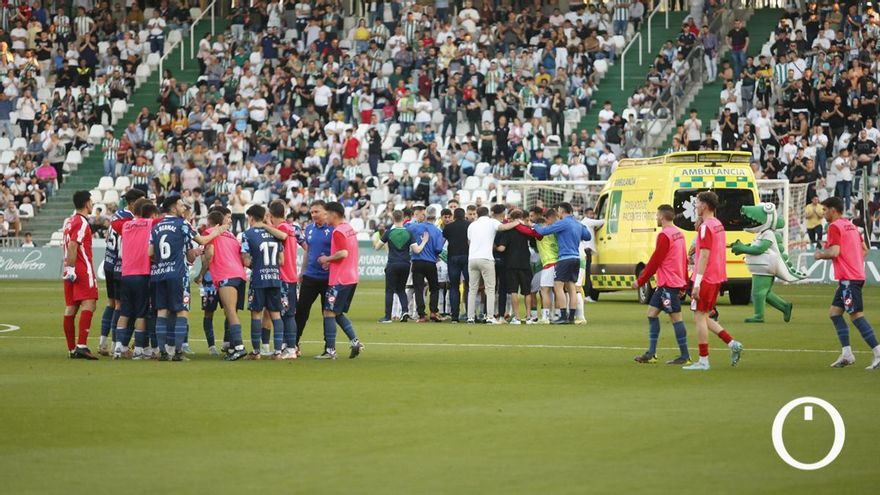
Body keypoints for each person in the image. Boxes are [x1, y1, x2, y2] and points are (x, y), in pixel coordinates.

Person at [814, 197, 880, 370]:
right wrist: (852, 261)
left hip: (849, 278)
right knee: (835, 313)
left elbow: (835, 252)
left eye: (825, 209)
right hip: (852, 276)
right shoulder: (850, 226)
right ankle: (847, 354)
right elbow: (864, 250)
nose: (823, 213)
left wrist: (820, 254)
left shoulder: (834, 227)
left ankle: (878, 352)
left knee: (856, 315)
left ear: (833, 210)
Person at [683, 191, 743, 371]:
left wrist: (697, 282)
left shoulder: (706, 227)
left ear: (705, 206)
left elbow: (704, 256)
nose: (695, 206)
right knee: (704, 315)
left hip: (706, 277)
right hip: (717, 275)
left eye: (698, 203)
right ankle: (732, 343)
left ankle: (703, 360)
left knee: (699, 317)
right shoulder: (718, 224)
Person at [631, 205, 691, 365]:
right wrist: (684, 283)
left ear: (662, 217)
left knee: (676, 318)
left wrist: (640, 281)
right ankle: (651, 353)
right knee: (651, 313)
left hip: (668, 284)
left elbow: (655, 261)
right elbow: (684, 260)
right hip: (669, 283)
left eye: (657, 215)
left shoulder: (664, 235)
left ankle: (685, 356)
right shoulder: (679, 234)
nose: (656, 218)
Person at [97, 188, 144, 356]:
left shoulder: (117, 215)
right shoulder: (130, 219)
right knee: (120, 305)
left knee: (111, 303)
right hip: (120, 265)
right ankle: (116, 345)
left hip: (109, 262)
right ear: (133, 203)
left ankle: (103, 342)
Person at [316, 201, 365, 359]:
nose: (325, 217)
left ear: (334, 215)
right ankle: (355, 342)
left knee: (328, 311)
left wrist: (326, 259)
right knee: (336, 312)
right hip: (351, 277)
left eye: (327, 214)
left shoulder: (338, 231)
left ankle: (330, 350)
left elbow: (343, 253)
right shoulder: (349, 228)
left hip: (340, 279)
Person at [113, 199, 160, 360]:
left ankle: (119, 347)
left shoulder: (125, 225)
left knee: (125, 312)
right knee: (141, 313)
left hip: (125, 274)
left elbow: (114, 223)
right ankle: (139, 349)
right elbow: (163, 221)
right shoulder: (149, 223)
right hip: (142, 273)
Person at [200, 210, 248, 361]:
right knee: (231, 312)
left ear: (210, 222)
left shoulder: (209, 232)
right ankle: (233, 346)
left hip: (225, 275)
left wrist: (201, 273)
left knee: (230, 311)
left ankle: (239, 347)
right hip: (240, 275)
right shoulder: (232, 236)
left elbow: (210, 254)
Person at [533, 202, 593, 325]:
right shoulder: (578, 223)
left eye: (559, 211)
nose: (558, 213)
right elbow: (588, 236)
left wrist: (534, 226)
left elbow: (544, 232)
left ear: (562, 211)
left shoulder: (563, 223)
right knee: (571, 287)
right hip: (576, 258)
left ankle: (563, 316)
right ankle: (571, 317)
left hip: (565, 258)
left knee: (558, 286)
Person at [240, 205, 286, 360]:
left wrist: (256, 264)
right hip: (274, 278)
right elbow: (282, 260)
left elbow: (246, 260)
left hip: (259, 279)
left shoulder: (248, 234)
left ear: (251, 218)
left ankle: (256, 352)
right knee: (275, 314)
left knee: (256, 314)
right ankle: (278, 351)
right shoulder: (274, 234)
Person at [466, 206, 521, 324]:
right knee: (490, 289)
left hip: (472, 259)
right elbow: (504, 227)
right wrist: (517, 222)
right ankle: (490, 317)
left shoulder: (472, 225)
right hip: (486, 258)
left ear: (477, 214)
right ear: (488, 213)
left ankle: (470, 317)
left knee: (472, 289)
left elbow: (469, 242)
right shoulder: (492, 222)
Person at [61, 190, 100, 360]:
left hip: (69, 269)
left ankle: (71, 349)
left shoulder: (69, 221)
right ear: (86, 203)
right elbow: (73, 246)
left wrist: (68, 269)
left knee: (71, 307)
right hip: (81, 269)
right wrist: (72, 269)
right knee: (89, 303)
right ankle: (82, 345)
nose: (92, 204)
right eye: (91, 202)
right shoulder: (82, 222)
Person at [268, 200, 303, 359]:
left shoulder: (281, 228)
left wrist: (265, 225)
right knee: (285, 313)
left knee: (287, 314)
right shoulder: (291, 228)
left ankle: (290, 348)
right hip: (291, 276)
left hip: (284, 276)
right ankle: (286, 345)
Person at [296, 201, 333, 348]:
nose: (313, 215)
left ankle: (329, 346)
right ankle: (294, 343)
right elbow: (308, 251)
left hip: (328, 278)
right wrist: (302, 271)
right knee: (301, 311)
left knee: (328, 313)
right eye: (312, 212)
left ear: (326, 212)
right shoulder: (310, 228)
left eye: (317, 211)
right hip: (310, 276)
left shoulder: (333, 229)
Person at [376, 210, 424, 323]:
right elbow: (416, 250)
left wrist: (386, 243)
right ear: (403, 218)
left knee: (389, 290)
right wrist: (424, 242)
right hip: (405, 264)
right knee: (401, 289)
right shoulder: (408, 232)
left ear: (393, 218)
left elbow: (377, 247)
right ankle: (405, 311)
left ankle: (387, 317)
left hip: (392, 263)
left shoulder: (389, 232)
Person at [406, 205, 446, 322]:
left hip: (417, 261)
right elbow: (438, 249)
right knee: (434, 287)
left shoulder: (415, 227)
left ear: (425, 215)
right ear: (435, 216)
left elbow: (405, 226)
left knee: (418, 288)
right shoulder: (438, 231)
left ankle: (421, 315)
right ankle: (433, 311)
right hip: (430, 262)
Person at [443, 207, 470, 321]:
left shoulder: (448, 227)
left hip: (453, 257)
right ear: (464, 216)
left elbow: (441, 243)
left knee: (454, 286)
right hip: (467, 256)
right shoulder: (469, 225)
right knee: (469, 286)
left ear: (454, 216)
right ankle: (470, 314)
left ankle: (454, 316)